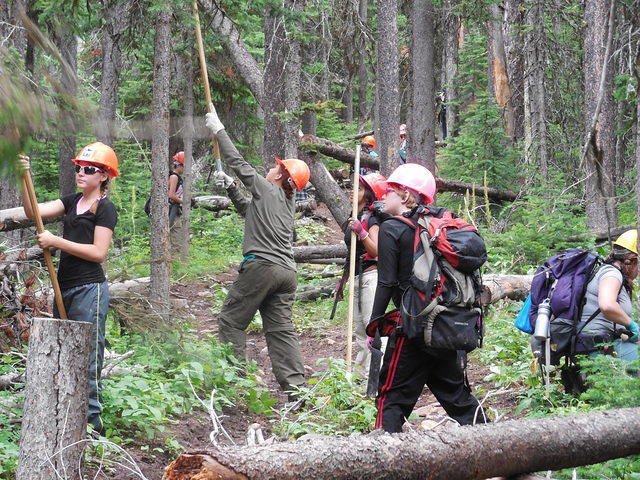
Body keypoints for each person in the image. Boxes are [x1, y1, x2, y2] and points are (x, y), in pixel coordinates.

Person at [368, 162, 487, 433]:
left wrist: (374, 325)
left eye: (390, 191)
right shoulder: (435, 227)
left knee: (391, 399)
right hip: (444, 326)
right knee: (458, 398)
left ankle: (382, 460)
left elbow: (386, 282)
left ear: (406, 196)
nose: (383, 196)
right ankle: (498, 449)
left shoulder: (392, 229)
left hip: (411, 328)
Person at [205, 103, 311, 401]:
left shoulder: (267, 188)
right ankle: (297, 390)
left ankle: (234, 384)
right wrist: (230, 188)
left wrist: (219, 129)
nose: (272, 167)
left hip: (262, 266)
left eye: (277, 166)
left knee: (231, 320)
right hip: (286, 273)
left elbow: (238, 162)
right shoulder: (285, 202)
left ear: (280, 175)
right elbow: (249, 211)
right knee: (280, 331)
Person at [19, 142, 119, 434]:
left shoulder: (105, 208)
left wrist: (56, 242)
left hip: (90, 289)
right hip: (64, 289)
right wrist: (23, 178)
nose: (81, 173)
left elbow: (99, 252)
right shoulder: (71, 201)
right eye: (79, 168)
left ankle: (92, 426)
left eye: (89, 170)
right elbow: (32, 210)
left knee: (88, 356)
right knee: (62, 352)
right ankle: (63, 417)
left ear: (103, 176)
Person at [337, 172, 387, 377]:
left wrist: (362, 232)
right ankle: (360, 377)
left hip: (370, 277)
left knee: (371, 326)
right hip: (357, 278)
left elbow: (376, 250)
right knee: (359, 331)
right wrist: (343, 281)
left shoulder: (372, 219)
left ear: (367, 195)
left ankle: (376, 375)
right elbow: (351, 254)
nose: (352, 192)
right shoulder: (353, 217)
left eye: (358, 188)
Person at [579, 230, 639, 362]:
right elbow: (607, 305)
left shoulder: (611, 272)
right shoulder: (612, 274)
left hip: (601, 342)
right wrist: (631, 325)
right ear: (632, 261)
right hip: (596, 344)